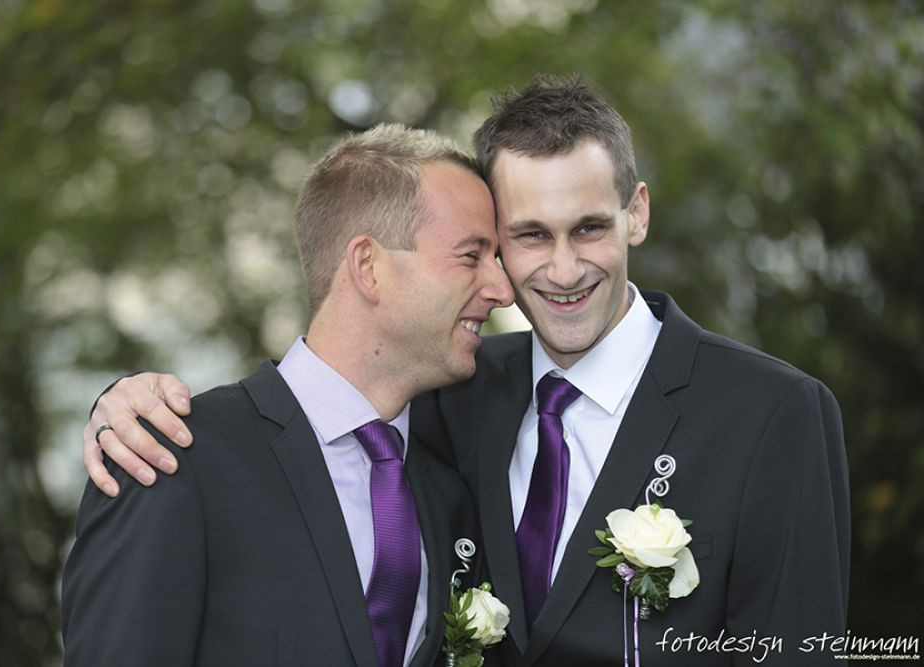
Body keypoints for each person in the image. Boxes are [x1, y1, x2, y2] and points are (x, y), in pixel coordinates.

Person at [80, 76, 850, 665]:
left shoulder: (775, 415)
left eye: (588, 227)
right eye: (516, 240)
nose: (559, 268)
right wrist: (120, 402)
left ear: (637, 214)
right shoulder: (457, 401)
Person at [61, 124, 514, 667]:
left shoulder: (452, 493)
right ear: (368, 267)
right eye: (471, 256)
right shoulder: (169, 456)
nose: (501, 289)